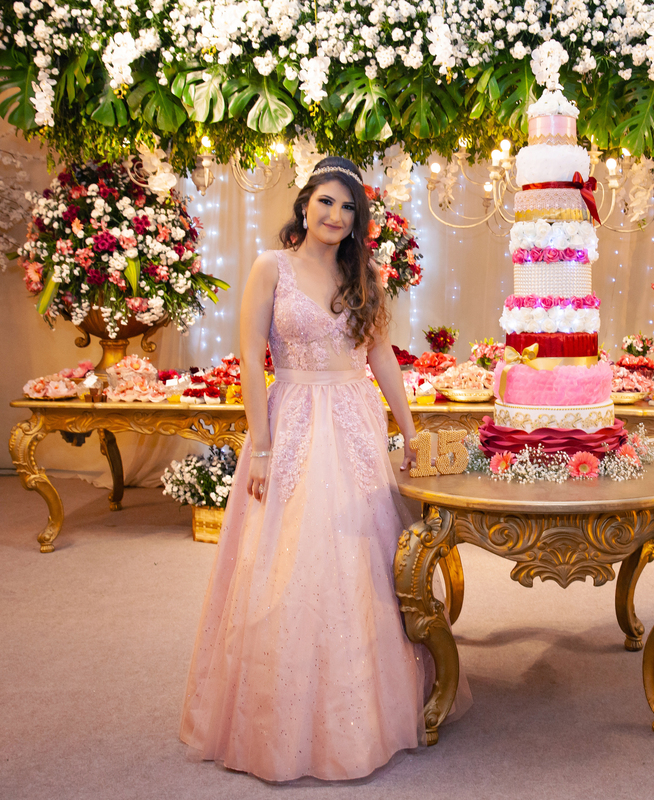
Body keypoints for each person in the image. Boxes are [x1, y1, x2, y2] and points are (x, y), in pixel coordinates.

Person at [180, 157, 466, 782]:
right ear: (305, 204)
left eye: (347, 208)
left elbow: (382, 356)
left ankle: (370, 706)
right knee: (289, 555)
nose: (335, 216)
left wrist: (409, 428)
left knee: (365, 556)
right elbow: (251, 360)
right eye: (326, 202)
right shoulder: (269, 268)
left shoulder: (363, 275)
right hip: (294, 421)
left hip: (355, 420)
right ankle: (281, 715)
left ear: (357, 219)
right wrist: (259, 445)